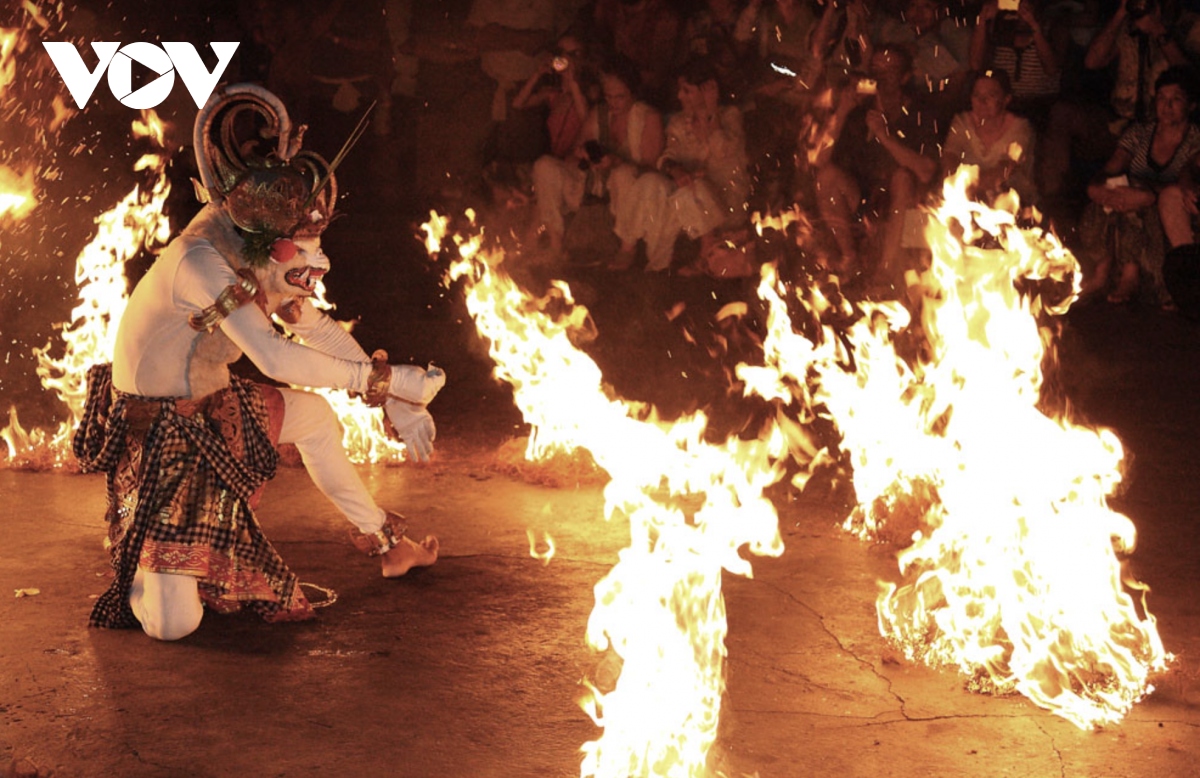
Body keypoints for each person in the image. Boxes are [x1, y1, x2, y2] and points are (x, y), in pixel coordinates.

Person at [73, 84, 442, 642]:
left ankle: (390, 545)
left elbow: (312, 326)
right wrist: (390, 379)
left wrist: (394, 395)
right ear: (266, 232)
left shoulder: (260, 243)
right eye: (300, 243)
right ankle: (144, 560)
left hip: (214, 409)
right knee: (174, 627)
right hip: (161, 435)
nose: (314, 259)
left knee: (316, 419)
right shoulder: (203, 260)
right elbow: (272, 356)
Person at [812, 45, 940, 277]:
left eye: (889, 70)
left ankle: (886, 271)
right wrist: (841, 111)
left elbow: (925, 171)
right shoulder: (859, 110)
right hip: (863, 200)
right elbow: (819, 160)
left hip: (907, 205)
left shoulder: (920, 112)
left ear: (904, 77)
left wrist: (884, 136)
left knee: (902, 178)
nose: (880, 75)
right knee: (826, 176)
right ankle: (850, 259)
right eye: (876, 68)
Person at [1078, 66, 1200, 307]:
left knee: (1139, 200)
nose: (1167, 106)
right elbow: (1110, 170)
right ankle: (1103, 273)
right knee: (1118, 191)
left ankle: (1132, 276)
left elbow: (1189, 177)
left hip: (1165, 205)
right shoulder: (1140, 133)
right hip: (1131, 198)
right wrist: (1102, 190)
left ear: (1191, 106)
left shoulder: (1196, 138)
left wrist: (1147, 195)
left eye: (1176, 99)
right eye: (1162, 99)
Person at [531, 56, 665, 266]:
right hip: (592, 187)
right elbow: (573, 155)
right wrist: (582, 153)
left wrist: (616, 162)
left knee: (623, 175)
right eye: (609, 96)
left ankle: (626, 249)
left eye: (620, 97)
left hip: (628, 195)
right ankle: (556, 247)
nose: (613, 102)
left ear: (633, 93)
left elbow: (650, 169)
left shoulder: (648, 117)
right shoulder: (600, 114)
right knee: (544, 166)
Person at [941, 69, 1038, 206]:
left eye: (991, 95)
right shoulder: (962, 123)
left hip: (1012, 206)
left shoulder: (1020, 128)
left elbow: (1004, 171)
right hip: (967, 202)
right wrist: (953, 181)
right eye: (976, 95)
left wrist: (968, 186)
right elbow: (949, 158)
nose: (982, 101)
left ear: (1006, 99)